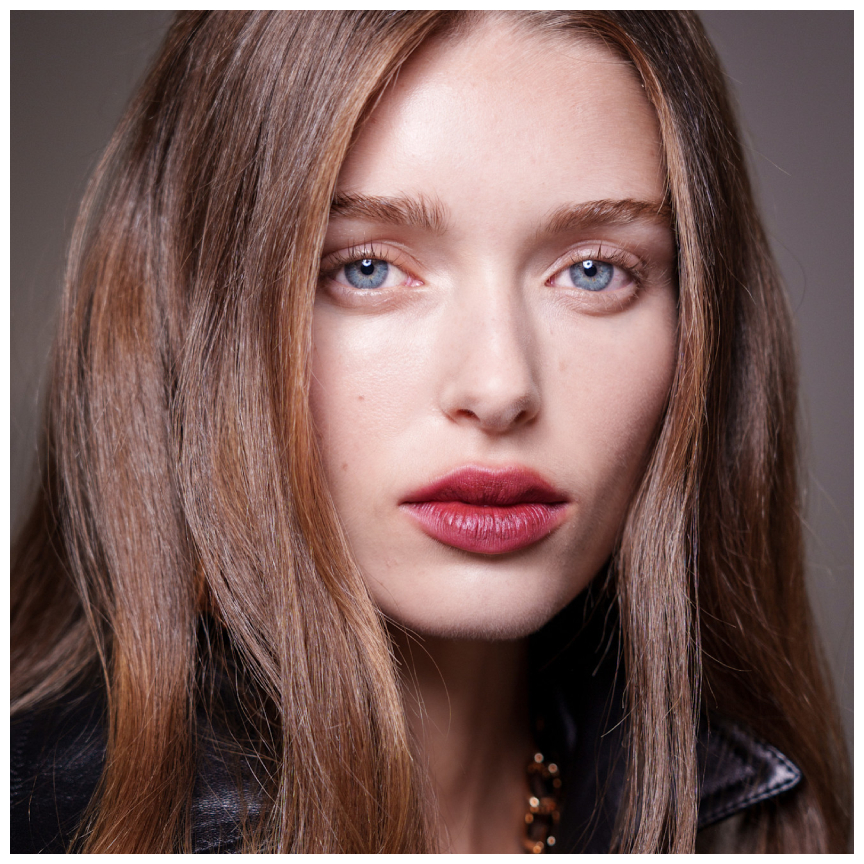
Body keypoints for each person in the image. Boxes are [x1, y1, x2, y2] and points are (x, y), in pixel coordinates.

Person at [10, 11, 850, 854]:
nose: (499, 387)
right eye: (367, 267)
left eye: (593, 272)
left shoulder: (745, 823)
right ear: (195, 313)